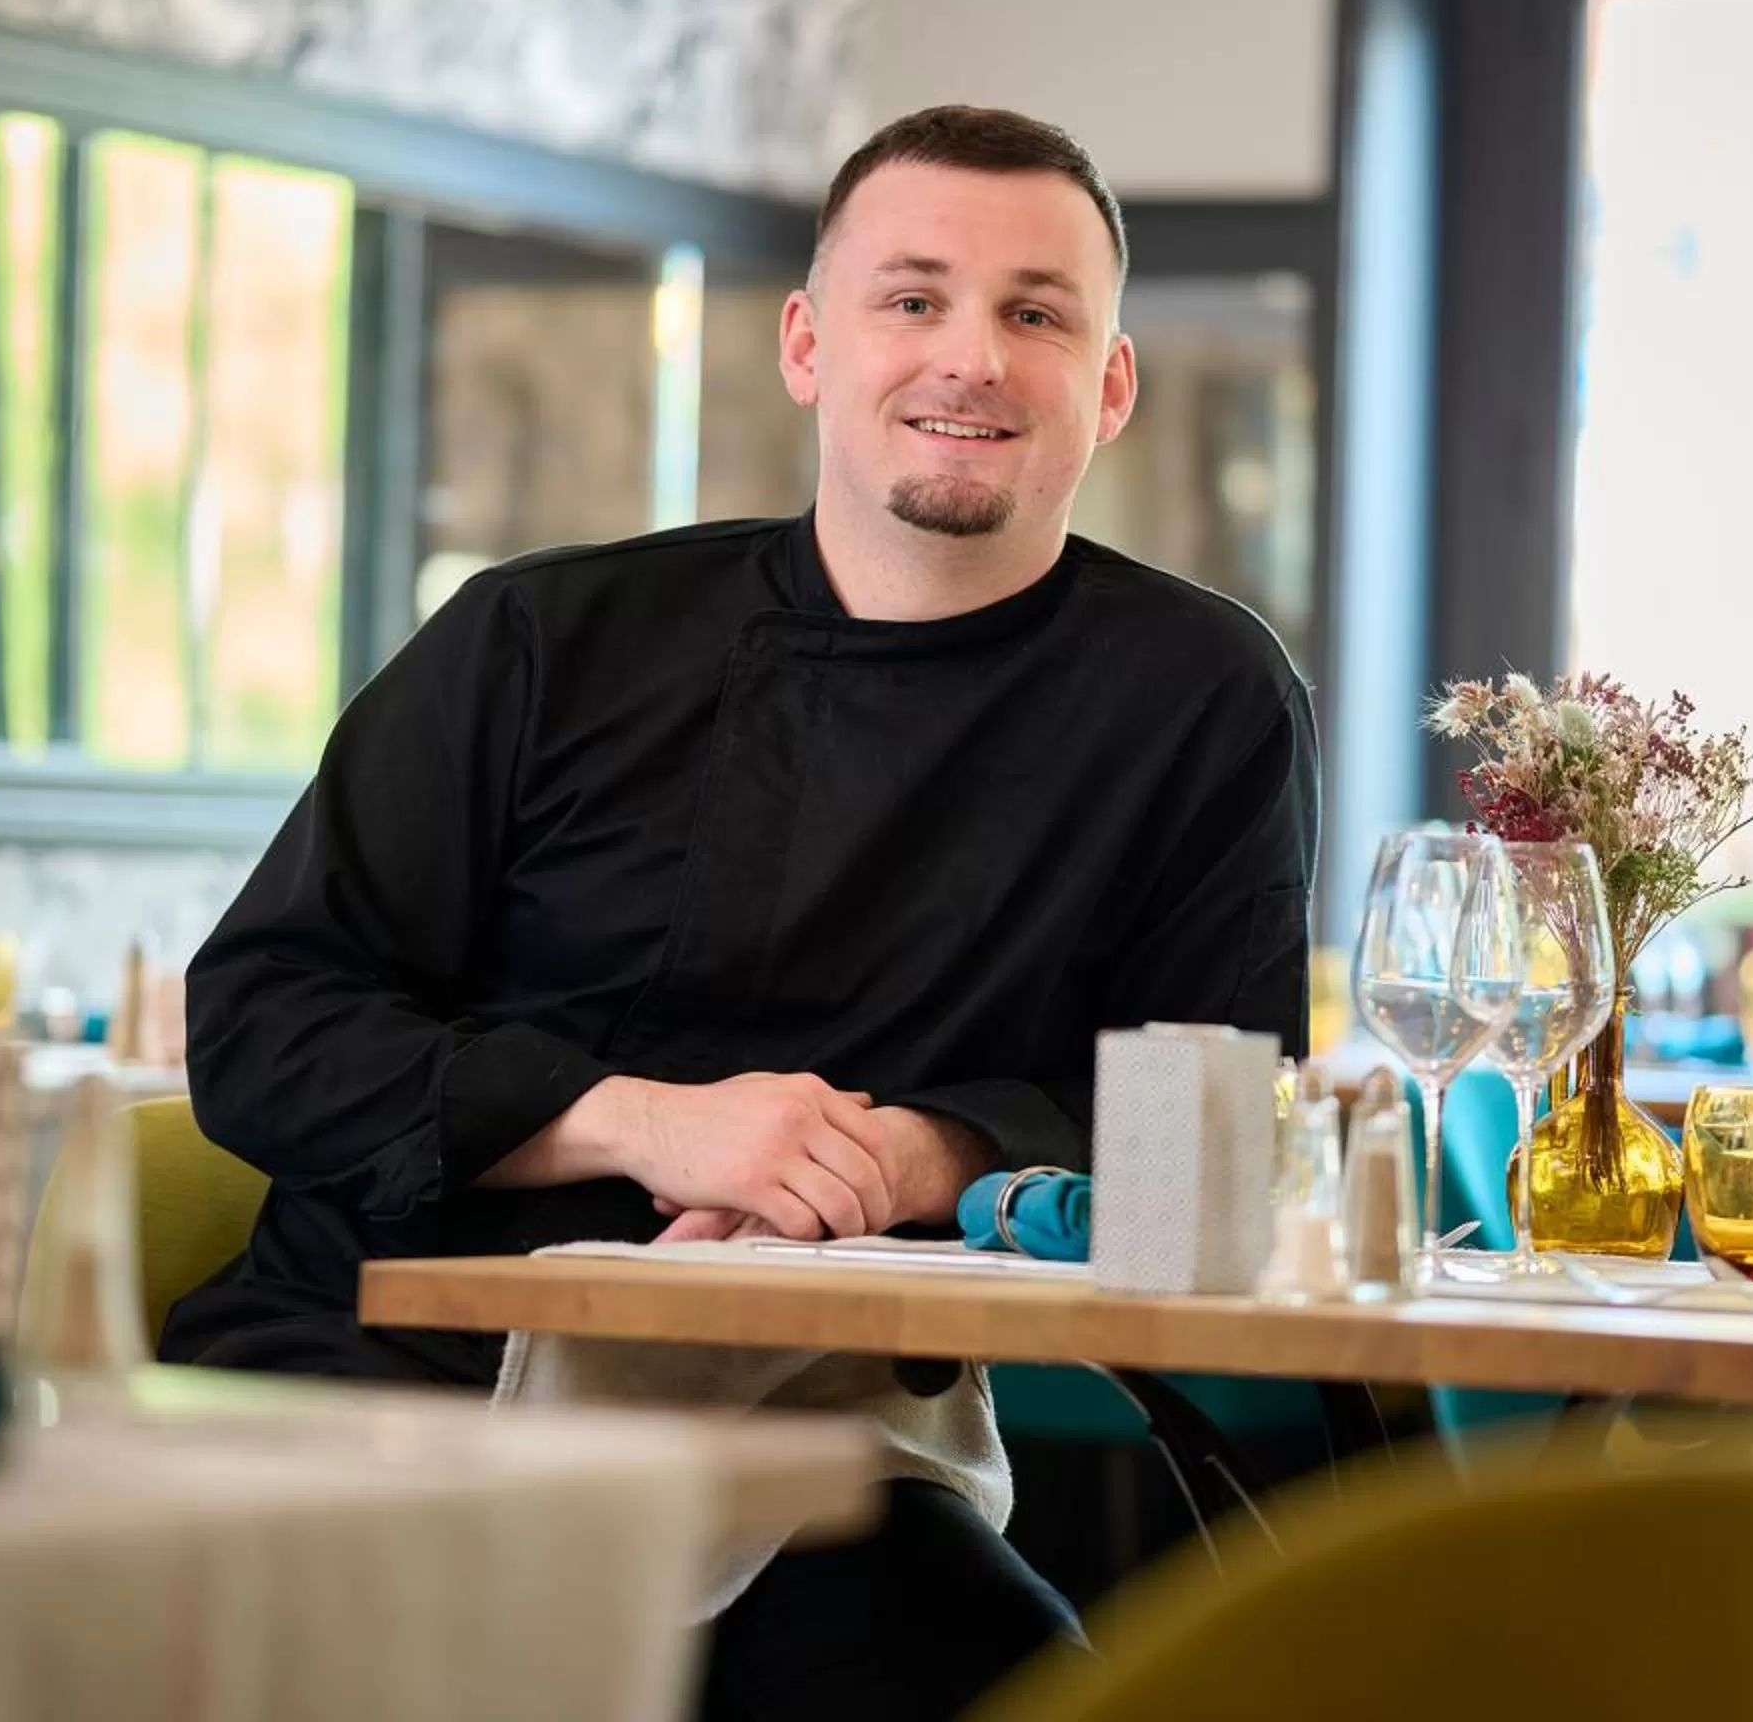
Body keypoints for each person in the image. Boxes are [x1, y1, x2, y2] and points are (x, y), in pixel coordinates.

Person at [161, 105, 1318, 1720]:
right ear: (807, 345)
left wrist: (932, 1153)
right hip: (381, 1381)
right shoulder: (536, 639)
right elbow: (262, 1028)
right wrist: (646, 1125)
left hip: (798, 1435)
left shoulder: (1198, 697)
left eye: (1036, 313)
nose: (969, 358)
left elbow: (1220, 1138)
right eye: (910, 300)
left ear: (1109, 383)